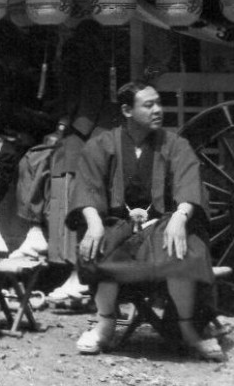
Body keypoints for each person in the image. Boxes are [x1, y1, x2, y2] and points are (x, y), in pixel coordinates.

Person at [68, 81, 224, 361]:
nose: (158, 110)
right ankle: (105, 325)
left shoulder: (175, 143)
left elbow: (190, 182)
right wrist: (93, 221)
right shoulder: (101, 144)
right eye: (149, 105)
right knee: (98, 247)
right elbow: (86, 187)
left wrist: (179, 216)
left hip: (162, 223)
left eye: (159, 103)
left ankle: (189, 330)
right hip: (118, 223)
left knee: (183, 249)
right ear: (127, 110)